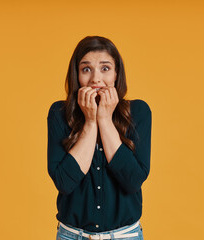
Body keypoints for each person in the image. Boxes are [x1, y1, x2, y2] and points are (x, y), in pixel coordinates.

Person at [47, 36, 152, 240]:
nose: (96, 79)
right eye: (86, 69)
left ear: (116, 75)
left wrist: (104, 119)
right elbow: (64, 182)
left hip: (125, 236)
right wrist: (90, 122)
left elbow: (132, 181)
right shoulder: (59, 113)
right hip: (72, 235)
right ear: (76, 75)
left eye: (105, 69)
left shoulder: (139, 112)